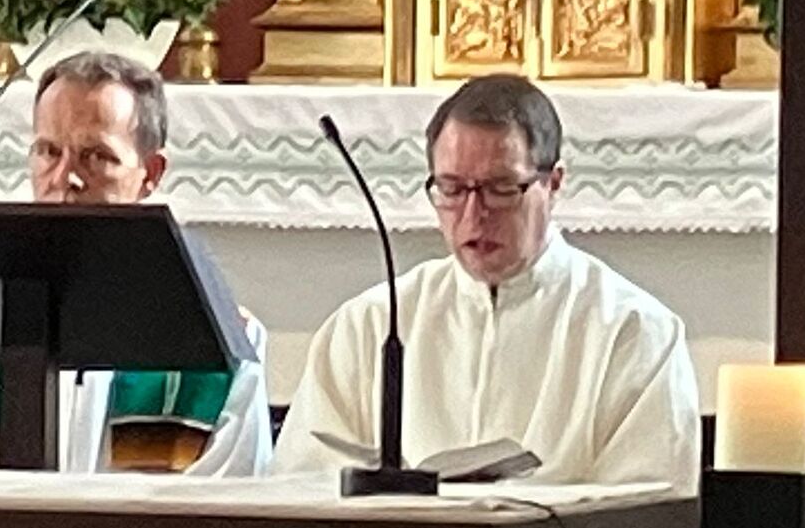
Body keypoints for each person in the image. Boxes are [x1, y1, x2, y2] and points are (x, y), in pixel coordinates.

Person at [273, 74, 700, 487]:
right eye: (452, 189)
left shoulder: (632, 331)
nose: (474, 215)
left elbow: (649, 505)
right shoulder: (368, 324)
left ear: (553, 184)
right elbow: (302, 487)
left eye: (500, 188)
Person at [0, 50, 272, 476]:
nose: (66, 177)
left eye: (96, 156)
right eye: (49, 151)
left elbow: (230, 508)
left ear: (151, 173)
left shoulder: (224, 342)